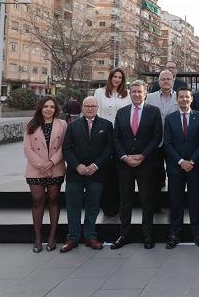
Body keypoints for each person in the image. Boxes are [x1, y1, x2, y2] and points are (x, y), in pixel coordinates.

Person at [111, 80, 163, 250]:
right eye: (133, 91)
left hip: (146, 164)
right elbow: (116, 137)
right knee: (125, 201)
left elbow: (157, 137)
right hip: (125, 164)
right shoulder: (121, 112)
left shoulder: (154, 112)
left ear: (145, 93)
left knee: (146, 200)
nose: (136, 94)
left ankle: (147, 235)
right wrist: (124, 157)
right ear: (129, 93)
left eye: (139, 92)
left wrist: (143, 155)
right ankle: (123, 235)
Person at [60, 96, 113, 253]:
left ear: (97, 108)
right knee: (73, 206)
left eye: (93, 106)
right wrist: (77, 166)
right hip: (75, 174)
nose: (90, 108)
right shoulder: (72, 126)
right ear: (82, 107)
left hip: (97, 173)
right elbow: (66, 149)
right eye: (87, 106)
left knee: (93, 206)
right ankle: (73, 238)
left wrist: (95, 166)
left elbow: (109, 149)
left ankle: (90, 236)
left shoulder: (107, 125)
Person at [163, 86, 199, 249]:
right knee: (176, 202)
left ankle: (198, 233)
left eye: (187, 97)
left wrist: (192, 161)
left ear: (192, 99)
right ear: (177, 99)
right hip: (176, 168)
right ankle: (174, 234)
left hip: (195, 168)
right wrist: (181, 161)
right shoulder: (170, 118)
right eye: (181, 97)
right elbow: (167, 144)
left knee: (195, 201)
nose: (184, 99)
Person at [23, 96, 67, 253]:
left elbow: (64, 147)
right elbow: (27, 149)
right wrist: (41, 165)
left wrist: (51, 162)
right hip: (36, 169)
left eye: (52, 107)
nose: (49, 109)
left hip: (55, 168)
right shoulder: (31, 124)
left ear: (56, 109)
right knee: (37, 201)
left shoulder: (62, 125)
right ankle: (37, 237)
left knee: (54, 200)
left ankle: (53, 236)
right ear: (40, 108)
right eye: (46, 107)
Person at [94, 68, 131, 216]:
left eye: (120, 77)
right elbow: (96, 113)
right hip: (104, 135)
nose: (117, 79)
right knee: (105, 172)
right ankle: (106, 206)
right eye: (114, 76)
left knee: (119, 173)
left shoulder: (127, 94)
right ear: (110, 78)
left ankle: (118, 205)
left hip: (122, 137)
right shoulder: (99, 93)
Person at [145, 69, 180, 213]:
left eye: (168, 79)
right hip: (155, 143)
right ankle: (155, 205)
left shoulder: (180, 97)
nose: (166, 81)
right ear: (158, 82)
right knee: (155, 176)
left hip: (174, 143)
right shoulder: (150, 97)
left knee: (174, 176)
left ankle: (173, 205)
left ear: (173, 81)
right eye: (163, 79)